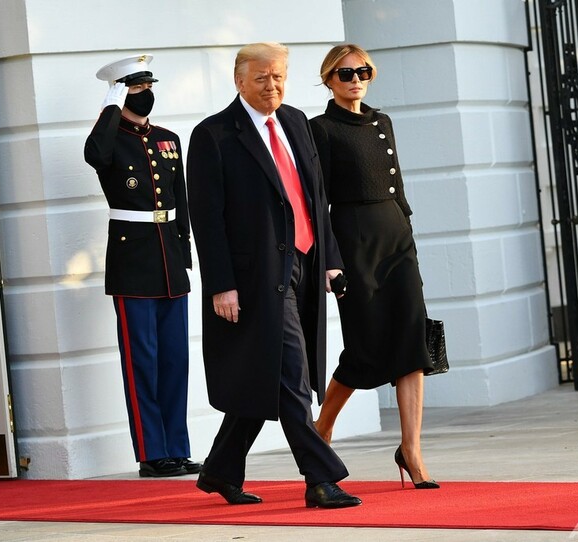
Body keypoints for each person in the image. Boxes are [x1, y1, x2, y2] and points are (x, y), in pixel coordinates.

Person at [186, 42, 361, 509]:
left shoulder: (297, 122)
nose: (272, 86)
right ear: (239, 81)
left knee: (264, 373)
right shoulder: (213, 134)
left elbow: (314, 196)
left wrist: (330, 258)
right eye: (262, 78)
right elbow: (206, 218)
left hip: (304, 264)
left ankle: (221, 469)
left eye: (279, 76)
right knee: (290, 373)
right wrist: (221, 284)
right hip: (255, 276)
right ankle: (321, 478)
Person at [309, 44, 439, 490]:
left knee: (412, 342)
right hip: (354, 242)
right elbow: (317, 201)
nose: (355, 80)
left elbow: (397, 187)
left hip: (396, 240)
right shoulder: (320, 129)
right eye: (345, 73)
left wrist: (407, 232)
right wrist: (329, 260)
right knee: (364, 347)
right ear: (329, 79)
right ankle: (322, 428)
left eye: (362, 71)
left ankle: (411, 451)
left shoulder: (382, 122)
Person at [84, 54, 202, 477]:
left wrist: (184, 255)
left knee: (174, 360)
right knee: (142, 362)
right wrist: (110, 109)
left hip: (169, 259)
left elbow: (180, 200)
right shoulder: (109, 138)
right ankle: (152, 454)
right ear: (120, 92)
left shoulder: (168, 139)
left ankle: (177, 448)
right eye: (136, 87)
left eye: (149, 86)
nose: (146, 93)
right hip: (132, 261)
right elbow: (94, 156)